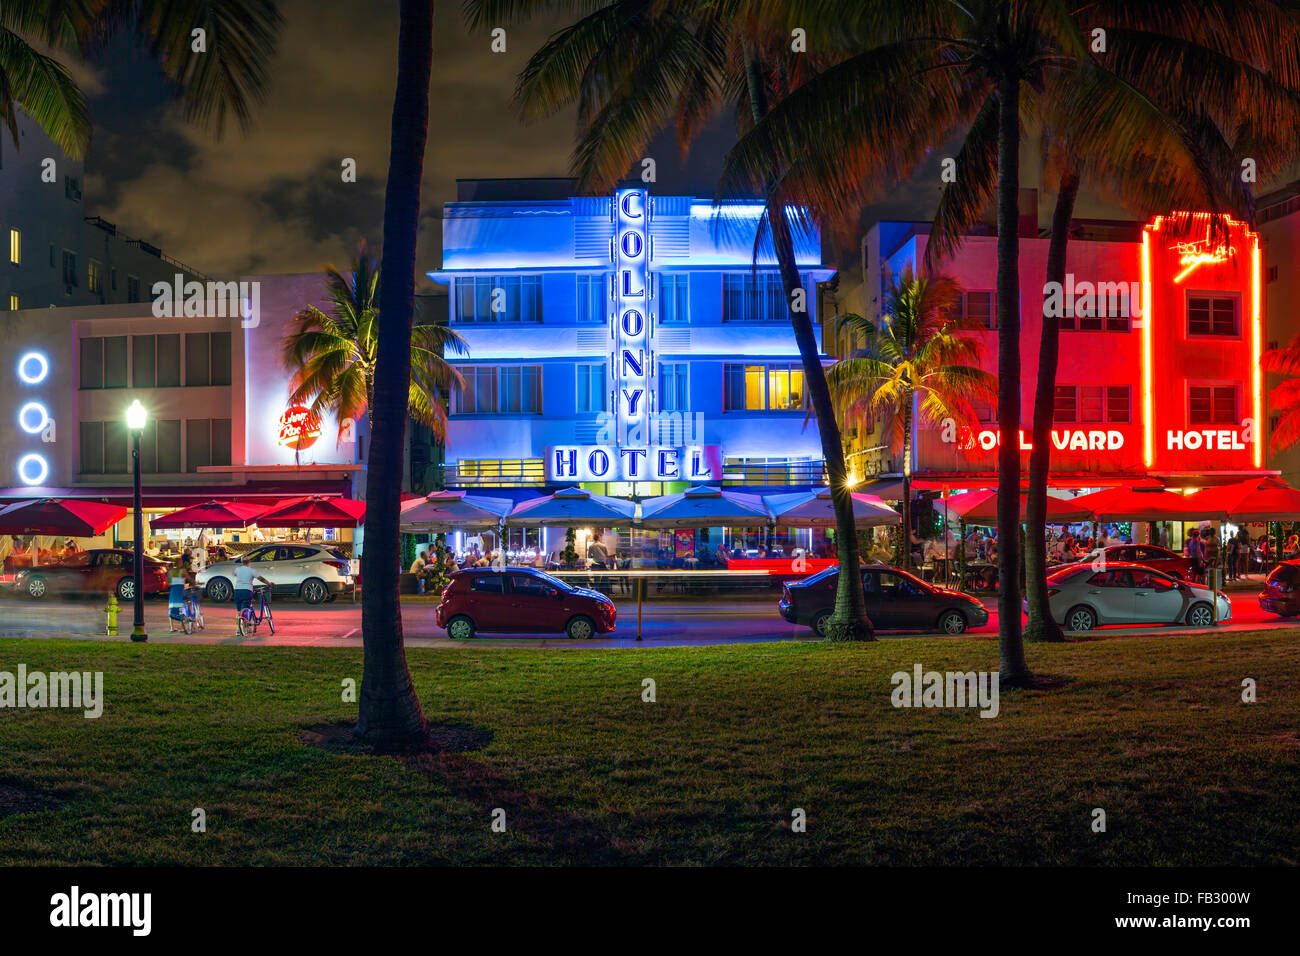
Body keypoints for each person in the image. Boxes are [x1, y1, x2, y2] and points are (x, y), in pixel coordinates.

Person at [233, 555, 272, 622]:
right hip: (247, 591)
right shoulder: (252, 570)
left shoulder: (237, 569)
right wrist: (269, 583)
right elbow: (260, 578)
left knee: (239, 611)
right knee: (245, 608)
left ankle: (238, 629)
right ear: (249, 562)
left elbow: (235, 574)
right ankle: (246, 625)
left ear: (242, 562)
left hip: (237, 591)